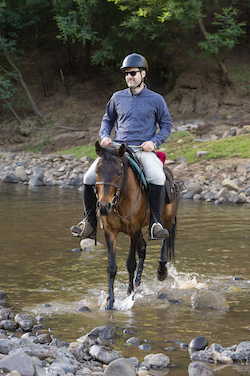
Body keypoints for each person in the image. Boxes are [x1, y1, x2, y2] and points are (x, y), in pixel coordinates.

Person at [71, 53, 173, 240]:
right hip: (117, 150)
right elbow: (107, 120)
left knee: (158, 177)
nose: (129, 77)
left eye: (133, 73)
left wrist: (154, 142)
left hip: (143, 149)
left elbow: (166, 125)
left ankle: (155, 223)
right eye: (126, 74)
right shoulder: (117, 97)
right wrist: (104, 136)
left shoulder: (156, 99)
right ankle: (89, 223)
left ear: (143, 74)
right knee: (88, 177)